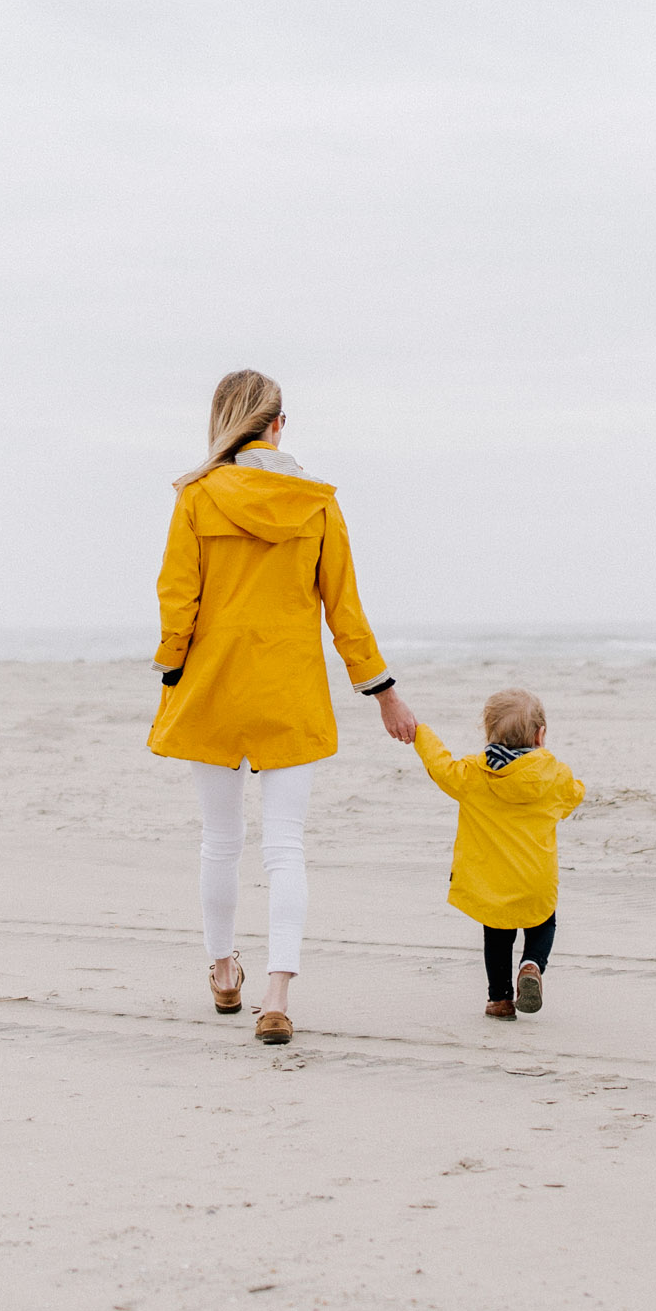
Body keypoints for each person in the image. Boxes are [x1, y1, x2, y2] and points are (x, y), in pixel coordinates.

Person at [148, 368, 416, 1045]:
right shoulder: (316, 503)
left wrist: (173, 671)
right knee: (285, 846)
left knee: (220, 840)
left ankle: (223, 971)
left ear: (227, 424)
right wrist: (382, 693)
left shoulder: (197, 497)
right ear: (279, 424)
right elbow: (344, 612)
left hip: (212, 686)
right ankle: (276, 993)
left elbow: (177, 600)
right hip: (288, 690)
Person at [412, 686, 584, 1020]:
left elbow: (439, 765)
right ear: (541, 735)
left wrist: (421, 733)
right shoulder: (554, 776)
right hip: (537, 880)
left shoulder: (472, 775)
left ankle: (500, 999)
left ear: (489, 733)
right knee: (543, 924)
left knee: (497, 936)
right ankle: (532, 965)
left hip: (493, 883)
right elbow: (574, 794)